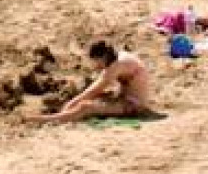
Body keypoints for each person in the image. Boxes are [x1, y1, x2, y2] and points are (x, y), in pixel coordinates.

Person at [24, 41, 156, 124]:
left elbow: (93, 90)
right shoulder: (118, 58)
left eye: (96, 61)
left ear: (103, 57)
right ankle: (61, 115)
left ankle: (46, 119)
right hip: (127, 97)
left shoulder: (116, 66)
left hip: (135, 105)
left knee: (86, 108)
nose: (96, 65)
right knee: (92, 101)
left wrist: (69, 105)